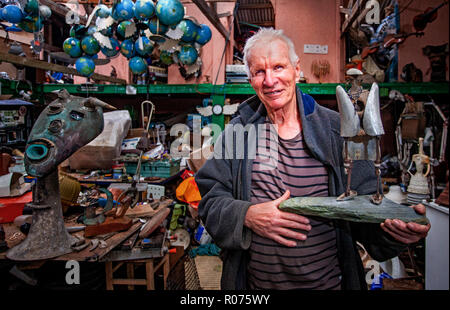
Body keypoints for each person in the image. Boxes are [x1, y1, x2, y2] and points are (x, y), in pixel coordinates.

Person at [194, 28, 430, 290]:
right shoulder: (237, 134)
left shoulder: (338, 130)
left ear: (297, 70)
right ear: (250, 79)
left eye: (279, 67)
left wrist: (396, 232)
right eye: (259, 71)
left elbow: (368, 210)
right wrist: (246, 215)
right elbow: (210, 204)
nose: (270, 80)